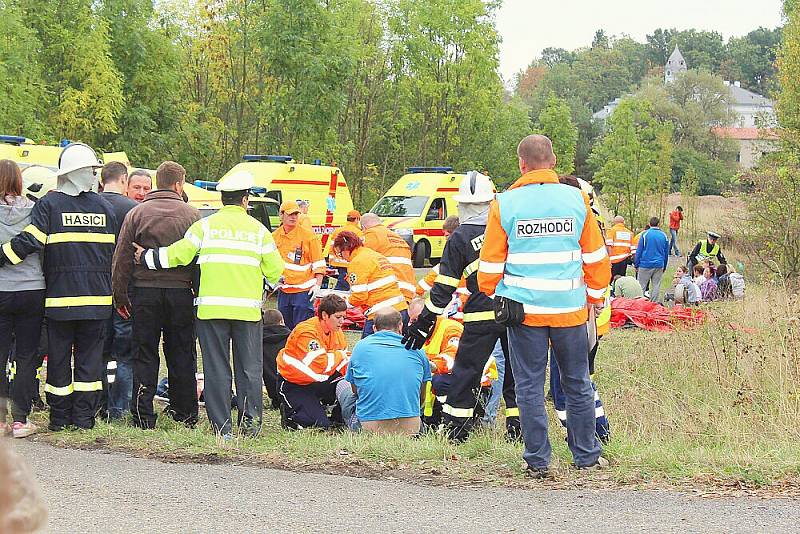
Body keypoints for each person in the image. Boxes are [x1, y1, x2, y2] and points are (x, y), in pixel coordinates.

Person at [478, 134, 611, 477]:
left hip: (525, 314)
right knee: (577, 383)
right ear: (553, 161)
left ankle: (538, 460)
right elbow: (596, 258)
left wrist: (497, 291)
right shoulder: (577, 199)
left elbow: (489, 267)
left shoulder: (504, 204)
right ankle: (587, 456)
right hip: (570, 310)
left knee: (528, 386)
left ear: (521, 164)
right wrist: (595, 299)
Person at [135, 171, 284, 437]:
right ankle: (250, 426)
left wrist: (147, 257)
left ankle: (222, 428)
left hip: (211, 310)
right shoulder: (259, 231)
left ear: (222, 199)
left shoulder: (204, 226)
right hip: (247, 312)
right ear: (245, 200)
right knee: (248, 369)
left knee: (216, 369)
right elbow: (275, 271)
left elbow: (178, 255)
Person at [0, 143, 116, 431]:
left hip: (60, 299)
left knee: (60, 360)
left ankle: (60, 419)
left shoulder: (50, 206)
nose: (94, 176)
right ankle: (84, 419)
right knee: (89, 362)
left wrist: (2, 257)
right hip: (97, 299)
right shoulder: (106, 208)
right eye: (91, 170)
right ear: (78, 173)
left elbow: (30, 241)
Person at [405, 171, 520, 442]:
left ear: (462, 206)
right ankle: (519, 432)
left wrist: (423, 324)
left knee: (466, 374)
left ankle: (456, 434)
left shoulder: (459, 238)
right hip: (516, 314)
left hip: (480, 315)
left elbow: (443, 288)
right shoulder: (509, 230)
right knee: (518, 376)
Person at [113, 161, 201, 428]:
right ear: (178, 184)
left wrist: (120, 296)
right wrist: (196, 292)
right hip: (181, 293)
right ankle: (185, 412)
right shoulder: (191, 215)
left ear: (156, 183)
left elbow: (122, 258)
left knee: (144, 353)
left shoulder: (137, 214)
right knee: (182, 353)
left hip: (145, 293)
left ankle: (142, 414)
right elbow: (199, 259)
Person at [0, 160, 46, 438]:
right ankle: (21, 419)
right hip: (32, 289)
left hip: (1, 291)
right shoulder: (35, 210)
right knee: (27, 355)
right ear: (20, 181)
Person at [337, 308, 431, 435]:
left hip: (368, 428)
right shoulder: (417, 349)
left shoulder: (361, 347)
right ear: (400, 325)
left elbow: (356, 391)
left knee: (342, 384)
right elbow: (421, 397)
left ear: (374, 328)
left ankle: (345, 421)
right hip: (412, 428)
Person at [98, 161, 139, 420]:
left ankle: (95, 404)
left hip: (93, 290)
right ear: (124, 180)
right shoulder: (134, 210)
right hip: (125, 291)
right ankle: (120, 409)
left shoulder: (90, 206)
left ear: (102, 180)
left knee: (96, 354)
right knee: (124, 355)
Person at [276, 294, 350, 430]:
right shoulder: (306, 331)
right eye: (338, 317)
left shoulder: (337, 331)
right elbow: (319, 364)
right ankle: (291, 415)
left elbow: (345, 363)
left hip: (321, 381)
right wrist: (339, 355)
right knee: (318, 425)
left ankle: (337, 416)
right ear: (325, 315)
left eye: (344, 317)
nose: (342, 322)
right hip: (295, 383)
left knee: (351, 383)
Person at [331, 230, 409, 337]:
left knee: (367, 350)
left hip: (381, 315)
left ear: (346, 248)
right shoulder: (374, 255)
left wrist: (344, 302)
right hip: (401, 309)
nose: (342, 257)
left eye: (340, 253)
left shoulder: (357, 262)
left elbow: (359, 297)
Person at [273, 200, 325, 329]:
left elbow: (318, 262)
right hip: (284, 290)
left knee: (302, 329)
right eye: (290, 214)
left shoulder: (308, 236)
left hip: (303, 291)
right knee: (285, 329)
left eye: (296, 214)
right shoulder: (274, 237)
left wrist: (318, 285)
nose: (294, 217)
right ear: (281, 215)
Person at [361, 212, 416, 301]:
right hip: (408, 291)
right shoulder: (398, 238)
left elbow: (362, 261)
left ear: (363, 228)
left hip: (389, 290)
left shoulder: (372, 234)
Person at [634, 217, 669, 303]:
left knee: (641, 285)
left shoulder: (645, 234)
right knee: (656, 285)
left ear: (649, 224)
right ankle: (654, 304)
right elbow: (666, 253)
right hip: (659, 264)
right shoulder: (664, 236)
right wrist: (664, 265)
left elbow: (639, 250)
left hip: (645, 264)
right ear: (658, 224)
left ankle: (640, 303)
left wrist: (636, 264)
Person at [262, 309, 291, 410]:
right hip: (290, 390)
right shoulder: (291, 338)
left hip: (273, 392)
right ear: (281, 321)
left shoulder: (259, 341)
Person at [328, 210, 363, 290]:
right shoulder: (358, 232)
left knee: (342, 285)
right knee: (345, 288)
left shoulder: (337, 231)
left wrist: (333, 260)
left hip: (338, 262)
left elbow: (332, 247)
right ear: (357, 219)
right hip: (351, 264)